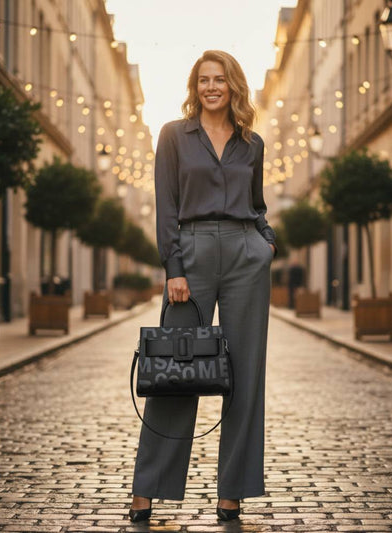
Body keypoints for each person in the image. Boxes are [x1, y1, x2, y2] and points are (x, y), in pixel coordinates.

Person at [129, 50, 277, 523]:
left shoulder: (251, 143)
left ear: (233, 85)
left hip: (244, 254)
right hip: (189, 257)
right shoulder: (174, 135)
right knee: (174, 371)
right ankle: (147, 488)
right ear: (195, 88)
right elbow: (166, 204)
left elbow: (257, 203)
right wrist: (173, 266)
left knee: (245, 378)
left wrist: (264, 242)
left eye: (220, 79)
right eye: (203, 80)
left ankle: (232, 491)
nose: (212, 87)